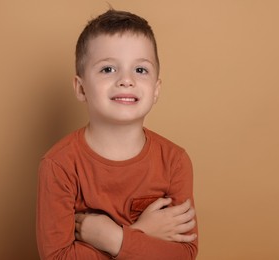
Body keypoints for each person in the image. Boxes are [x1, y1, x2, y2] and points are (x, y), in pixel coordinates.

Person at [36, 8, 198, 259]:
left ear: (156, 90)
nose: (126, 80)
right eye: (108, 69)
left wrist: (113, 237)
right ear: (81, 89)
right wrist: (141, 232)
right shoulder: (59, 165)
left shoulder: (175, 161)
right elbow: (58, 257)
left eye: (140, 70)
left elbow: (184, 253)